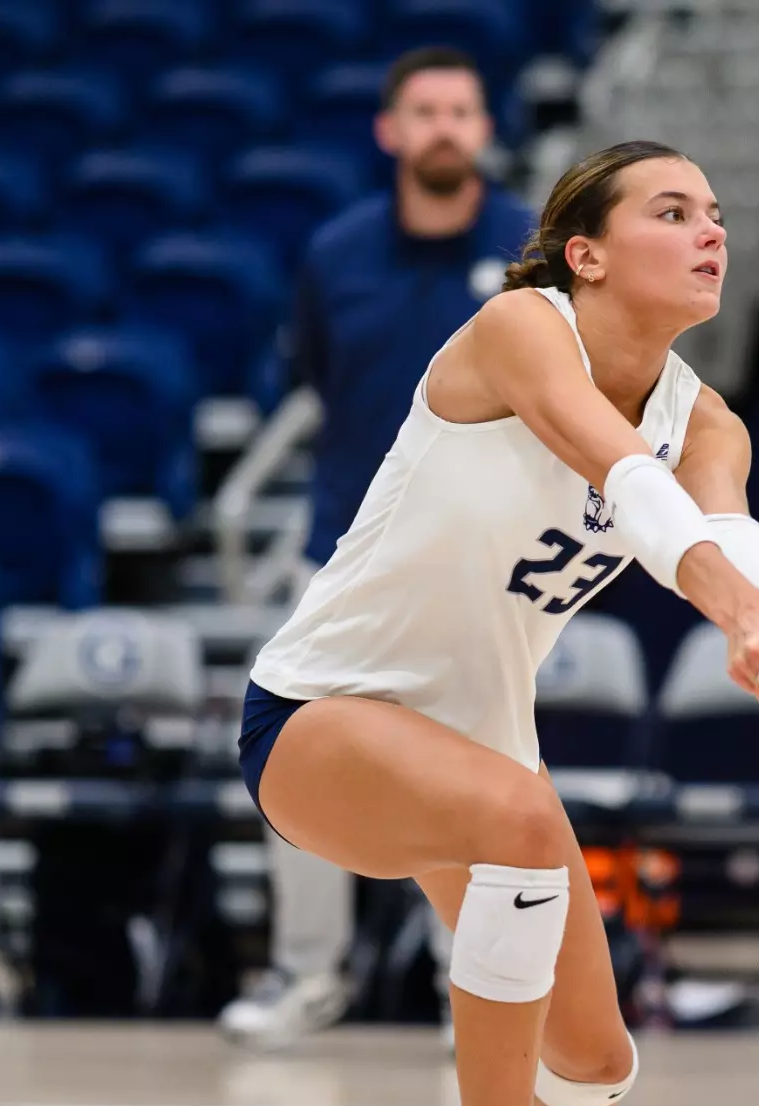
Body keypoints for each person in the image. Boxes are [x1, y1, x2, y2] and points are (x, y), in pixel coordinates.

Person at [239, 140, 759, 1106]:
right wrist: (736, 614)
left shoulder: (707, 421)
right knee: (522, 819)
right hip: (320, 715)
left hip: (477, 751)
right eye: (672, 211)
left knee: (596, 1059)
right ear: (586, 254)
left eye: (715, 213)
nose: (710, 232)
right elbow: (630, 485)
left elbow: (728, 529)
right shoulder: (520, 328)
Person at [218, 47, 537, 1051]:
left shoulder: (531, 247)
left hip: (482, 557)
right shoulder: (336, 254)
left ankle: (470, 988)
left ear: (484, 130)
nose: (444, 128)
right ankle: (309, 972)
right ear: (389, 132)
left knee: (487, 773)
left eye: (461, 111)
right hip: (345, 553)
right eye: (424, 112)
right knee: (304, 757)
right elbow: (318, 381)